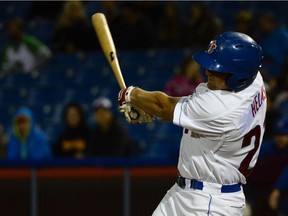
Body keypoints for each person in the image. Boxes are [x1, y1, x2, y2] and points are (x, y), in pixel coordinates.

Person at [118, 32, 266, 215]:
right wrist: (151, 111)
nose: (208, 71)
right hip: (190, 191)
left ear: (239, 76)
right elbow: (192, 111)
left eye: (217, 69)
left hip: (209, 202)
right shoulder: (253, 79)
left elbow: (164, 105)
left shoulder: (223, 107)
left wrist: (130, 94)